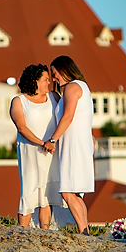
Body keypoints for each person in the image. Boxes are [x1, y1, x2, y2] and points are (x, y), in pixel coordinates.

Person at [42, 55, 94, 235]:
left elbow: (68, 116)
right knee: (74, 192)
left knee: (67, 192)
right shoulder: (79, 88)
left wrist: (52, 139)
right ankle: (84, 230)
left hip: (73, 144)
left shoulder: (73, 87)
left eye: (54, 73)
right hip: (77, 142)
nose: (53, 77)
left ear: (64, 70)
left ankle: (83, 232)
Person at [9, 64, 57, 229]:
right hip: (30, 152)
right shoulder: (19, 101)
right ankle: (22, 233)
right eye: (45, 79)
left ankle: (45, 234)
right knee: (29, 191)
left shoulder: (53, 97)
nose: (48, 83)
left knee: (46, 194)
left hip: (51, 153)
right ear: (34, 81)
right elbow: (21, 128)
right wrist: (43, 143)